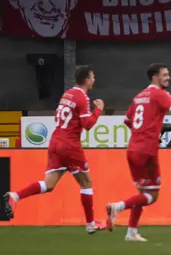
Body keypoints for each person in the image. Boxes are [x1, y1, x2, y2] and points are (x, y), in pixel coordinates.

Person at [104, 63, 171, 242]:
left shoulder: (139, 96)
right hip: (147, 150)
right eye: (165, 75)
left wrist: (141, 132)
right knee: (152, 195)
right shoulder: (159, 94)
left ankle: (131, 232)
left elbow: (127, 120)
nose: (168, 78)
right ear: (155, 77)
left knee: (142, 191)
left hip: (132, 149)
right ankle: (117, 207)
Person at [2, 65, 106, 234]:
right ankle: (90, 224)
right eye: (93, 77)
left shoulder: (67, 94)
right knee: (86, 182)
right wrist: (99, 110)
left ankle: (16, 196)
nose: (94, 79)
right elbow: (87, 125)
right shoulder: (82, 97)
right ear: (87, 79)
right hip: (69, 144)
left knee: (49, 184)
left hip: (55, 142)